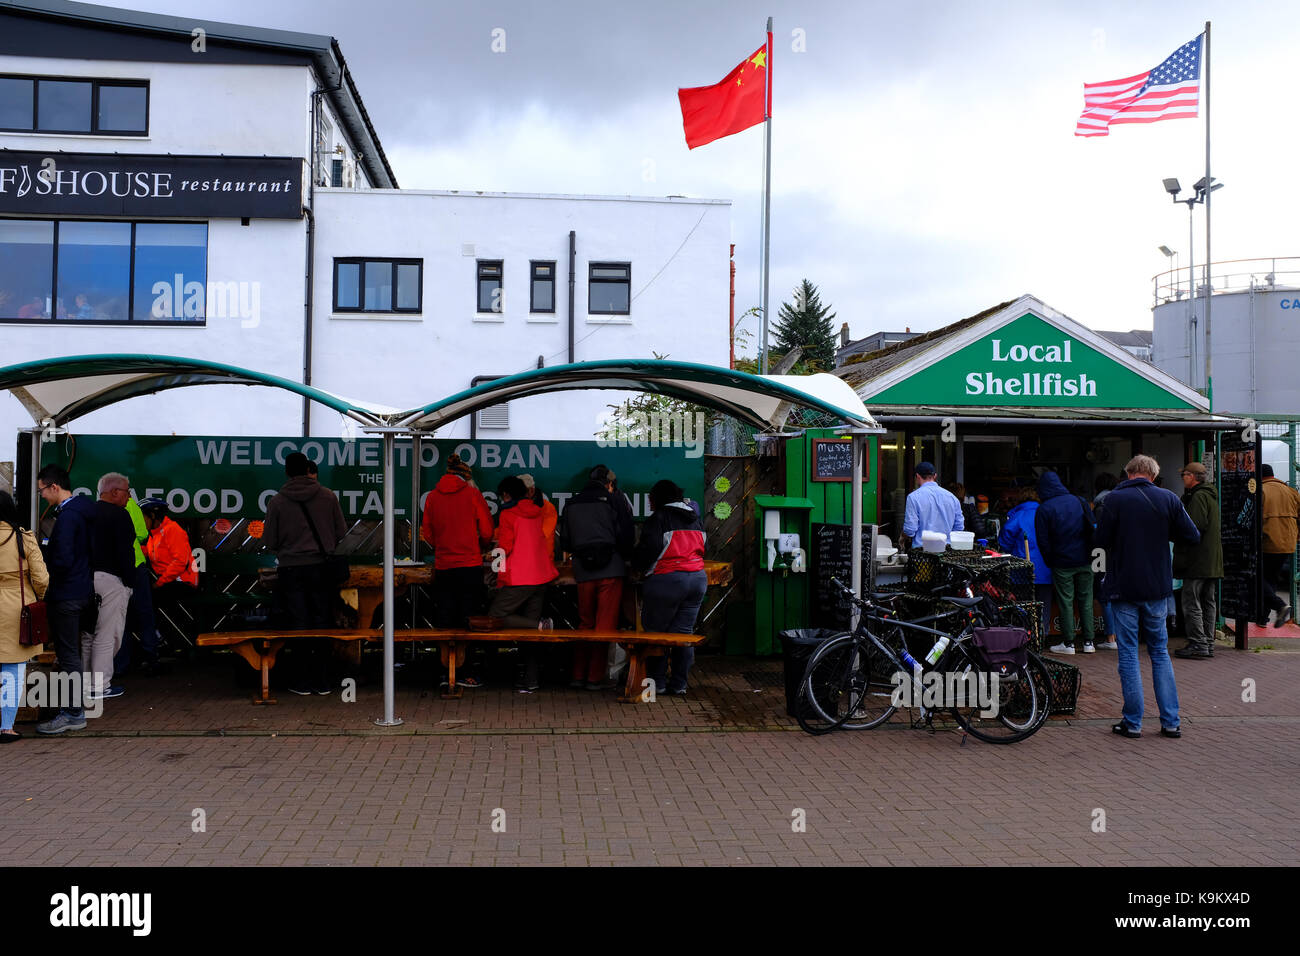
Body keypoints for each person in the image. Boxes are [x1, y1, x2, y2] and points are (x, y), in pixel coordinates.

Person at [1095, 454, 1200, 739]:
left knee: (1128, 653)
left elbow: (1100, 541)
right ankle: (1171, 722)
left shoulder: (1114, 500)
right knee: (1159, 652)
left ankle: (1133, 723)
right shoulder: (1168, 499)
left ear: (1128, 474)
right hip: (1157, 587)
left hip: (1124, 586)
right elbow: (1192, 536)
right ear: (1152, 475)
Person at [261, 452, 347, 695]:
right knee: (322, 620)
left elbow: (270, 540)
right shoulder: (328, 497)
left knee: (298, 623)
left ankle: (302, 680)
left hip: (291, 570)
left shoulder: (277, 502)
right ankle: (323, 680)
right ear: (308, 469)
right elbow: (340, 531)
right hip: (321, 568)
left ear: (287, 472)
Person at [421, 453, 493, 687]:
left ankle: (445, 673)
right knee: (469, 620)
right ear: (465, 477)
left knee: (444, 619)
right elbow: (487, 532)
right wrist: (477, 546)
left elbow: (428, 534)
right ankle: (467, 672)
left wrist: (442, 546)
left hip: (444, 567)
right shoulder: (473, 495)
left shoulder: (432, 497)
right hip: (470, 566)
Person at [559, 464, 634, 690]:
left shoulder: (571, 503)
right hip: (611, 570)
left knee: (585, 623)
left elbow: (566, 542)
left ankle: (578, 675)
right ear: (609, 484)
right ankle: (594, 678)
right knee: (605, 625)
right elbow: (627, 536)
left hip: (583, 570)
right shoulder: (615, 501)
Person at [34, 465, 94, 735]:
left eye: (42, 491)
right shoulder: (84, 511)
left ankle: (73, 713)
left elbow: (63, 558)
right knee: (72, 653)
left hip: (66, 592)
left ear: (54, 487)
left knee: (69, 654)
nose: (43, 496)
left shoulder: (68, 517)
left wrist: (44, 563)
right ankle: (72, 709)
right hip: (81, 589)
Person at [635, 480, 708, 696]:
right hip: (697, 580)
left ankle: (657, 685)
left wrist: (636, 567)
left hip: (666, 581)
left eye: (651, 498)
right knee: (683, 634)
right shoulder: (696, 519)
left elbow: (648, 550)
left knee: (656, 634)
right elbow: (705, 548)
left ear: (658, 498)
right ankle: (679, 685)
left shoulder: (658, 519)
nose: (649, 502)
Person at [490, 476, 558, 693]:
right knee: (529, 634)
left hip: (520, 578)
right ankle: (530, 680)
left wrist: (496, 569)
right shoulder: (539, 512)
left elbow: (504, 548)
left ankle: (541, 625)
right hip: (542, 576)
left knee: (495, 616)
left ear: (507, 495)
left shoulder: (508, 515)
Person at [81, 473, 137, 700]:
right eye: (127, 491)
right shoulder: (120, 515)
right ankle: (99, 686)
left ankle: (83, 685)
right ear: (114, 492)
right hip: (111, 581)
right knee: (107, 635)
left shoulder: (86, 514)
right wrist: (130, 583)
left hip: (84, 579)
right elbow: (126, 552)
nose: (129, 496)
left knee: (87, 634)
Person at [0, 491, 49, 742]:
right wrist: (37, 597)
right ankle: (6, 727)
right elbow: (41, 578)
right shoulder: (23, 537)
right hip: (16, 608)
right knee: (12, 670)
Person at [1035, 470, 1096, 655]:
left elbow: (1043, 541)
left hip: (1061, 562)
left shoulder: (1044, 509)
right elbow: (1092, 527)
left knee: (1065, 601)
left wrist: (1050, 560)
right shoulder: (1080, 501)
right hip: (1085, 559)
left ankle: (1068, 643)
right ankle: (1089, 642)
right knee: (1086, 600)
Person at [1171, 462, 1223, 659]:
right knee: (1208, 601)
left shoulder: (1199, 496)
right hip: (1210, 559)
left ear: (1192, 476)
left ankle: (1198, 643)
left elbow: (1194, 527)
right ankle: (1207, 643)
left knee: (1191, 600)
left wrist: (1175, 533)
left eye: (1183, 475)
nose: (1182, 478)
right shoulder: (1210, 495)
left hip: (1197, 559)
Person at [140, 496, 199, 655]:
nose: (141, 521)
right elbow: (148, 552)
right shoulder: (155, 533)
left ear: (153, 516)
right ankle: (157, 638)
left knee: (147, 599)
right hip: (170, 581)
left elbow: (180, 561)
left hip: (183, 582)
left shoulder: (172, 530)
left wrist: (160, 583)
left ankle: (158, 640)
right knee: (143, 597)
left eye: (143, 517)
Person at [114, 483, 158, 677]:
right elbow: (142, 535)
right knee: (144, 613)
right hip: (136, 565)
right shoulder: (132, 505)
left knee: (119, 618)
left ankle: (121, 664)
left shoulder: (102, 508)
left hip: (115, 568)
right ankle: (151, 659)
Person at [998, 486, 1052, 636]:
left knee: (1023, 605)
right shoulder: (1047, 513)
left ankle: (1024, 636)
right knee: (1043, 604)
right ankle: (1041, 635)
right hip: (1046, 568)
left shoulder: (1018, 516)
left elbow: (1005, 540)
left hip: (1022, 570)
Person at [1259, 463, 1299, 627]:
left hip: (1268, 542)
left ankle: (1279, 605)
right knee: (1270, 579)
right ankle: (1263, 617)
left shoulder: (1261, 491)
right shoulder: (1291, 491)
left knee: (1255, 578)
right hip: (1287, 544)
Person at [901, 462, 962, 547]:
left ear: (917, 476)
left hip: (922, 553)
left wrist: (902, 538)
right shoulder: (952, 498)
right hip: (947, 551)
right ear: (935, 476)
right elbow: (959, 527)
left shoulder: (913, 497)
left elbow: (910, 529)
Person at [1092, 473, 1119, 649]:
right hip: (1117, 554)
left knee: (1103, 593)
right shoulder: (1119, 501)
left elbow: (1101, 534)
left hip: (1101, 553)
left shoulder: (1101, 504)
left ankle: (1111, 637)